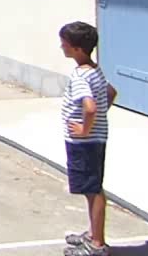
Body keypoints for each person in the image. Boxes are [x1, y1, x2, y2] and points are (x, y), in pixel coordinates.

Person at [59, 21, 117, 256]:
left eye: (65, 43)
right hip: (93, 140)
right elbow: (111, 92)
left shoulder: (81, 76)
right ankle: (94, 234)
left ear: (77, 49)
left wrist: (85, 129)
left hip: (85, 143)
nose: (61, 46)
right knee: (91, 188)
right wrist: (98, 121)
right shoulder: (94, 69)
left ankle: (97, 245)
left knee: (93, 190)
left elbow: (90, 107)